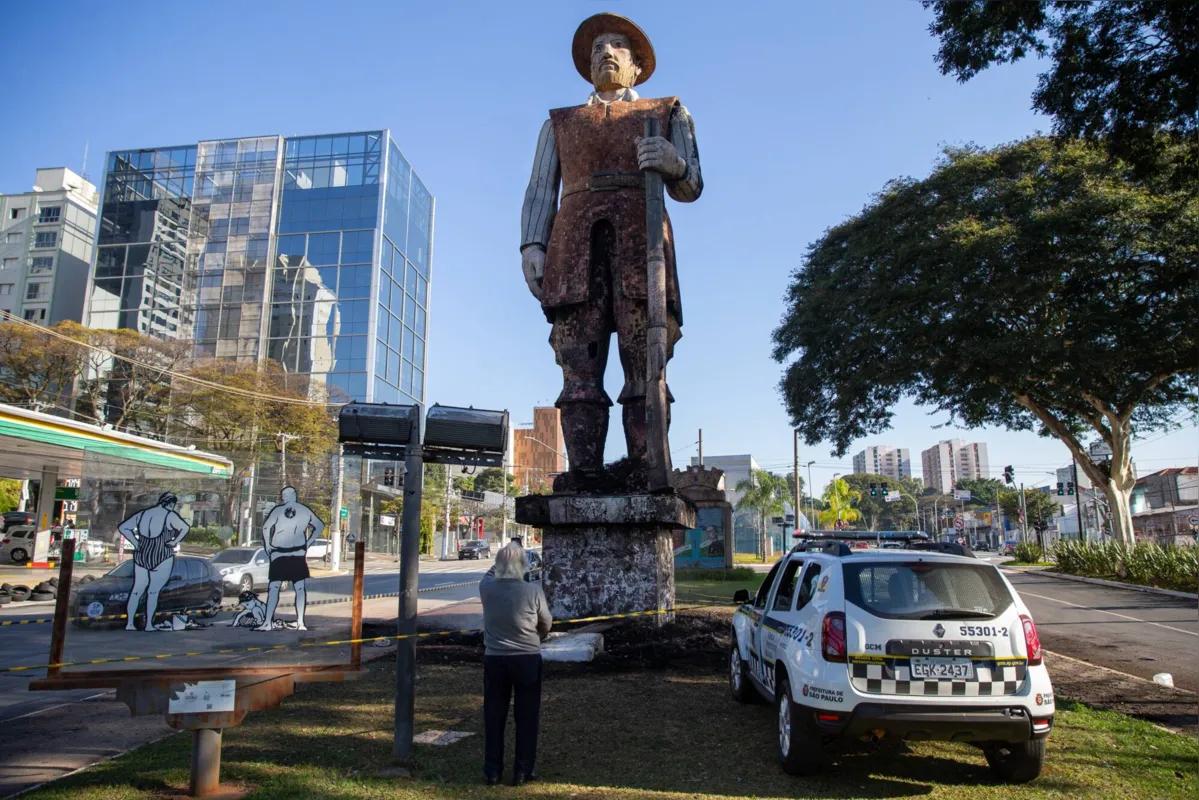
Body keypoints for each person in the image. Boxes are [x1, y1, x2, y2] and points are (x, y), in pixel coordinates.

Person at [520, 12, 703, 477]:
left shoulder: (667, 113)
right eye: (598, 45)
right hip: (574, 242)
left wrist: (673, 163)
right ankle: (583, 472)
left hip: (643, 244)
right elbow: (541, 188)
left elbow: (692, 186)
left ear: (636, 64)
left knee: (646, 361)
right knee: (577, 359)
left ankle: (646, 466)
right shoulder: (560, 123)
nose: (606, 51)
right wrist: (531, 244)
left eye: (617, 45)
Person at [479, 542, 552, 786]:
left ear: (498, 565)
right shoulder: (532, 591)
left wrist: (504, 555)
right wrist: (538, 636)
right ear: (523, 565)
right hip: (527, 659)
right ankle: (523, 770)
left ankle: (492, 771)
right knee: (527, 716)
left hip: (495, 659)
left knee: (494, 716)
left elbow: (490, 573)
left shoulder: (486, 588)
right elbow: (546, 623)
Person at [117, 492, 190, 631]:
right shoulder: (169, 515)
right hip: (162, 554)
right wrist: (174, 541)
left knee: (137, 590)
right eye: (173, 505)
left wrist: (135, 542)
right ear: (169, 504)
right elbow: (185, 528)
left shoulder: (143, 514)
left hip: (142, 554)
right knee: (153, 592)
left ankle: (130, 623)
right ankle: (149, 624)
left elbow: (123, 527)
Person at [255, 486, 325, 632]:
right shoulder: (280, 510)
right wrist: (268, 545)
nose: (284, 497)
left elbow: (319, 525)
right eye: (283, 495)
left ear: (293, 495)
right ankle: (268, 622)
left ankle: (300, 622)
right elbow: (266, 527)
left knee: (298, 587)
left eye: (286, 495)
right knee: (274, 587)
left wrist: (309, 542)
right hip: (280, 552)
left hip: (296, 552)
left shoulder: (301, 510)